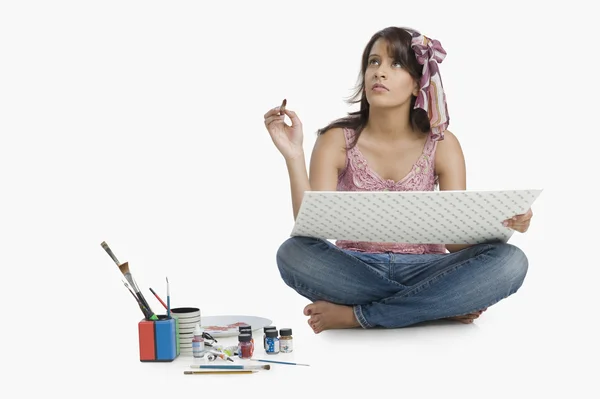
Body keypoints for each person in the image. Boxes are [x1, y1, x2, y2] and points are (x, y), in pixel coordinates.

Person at [263, 26, 534, 334]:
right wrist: (293, 155)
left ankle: (361, 316)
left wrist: (505, 223)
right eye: (374, 62)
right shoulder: (336, 139)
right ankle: (438, 305)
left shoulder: (443, 144)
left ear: (418, 85)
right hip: (355, 267)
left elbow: (455, 241)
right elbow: (311, 227)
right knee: (292, 253)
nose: (379, 72)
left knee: (511, 262)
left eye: (395, 64)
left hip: (428, 269)